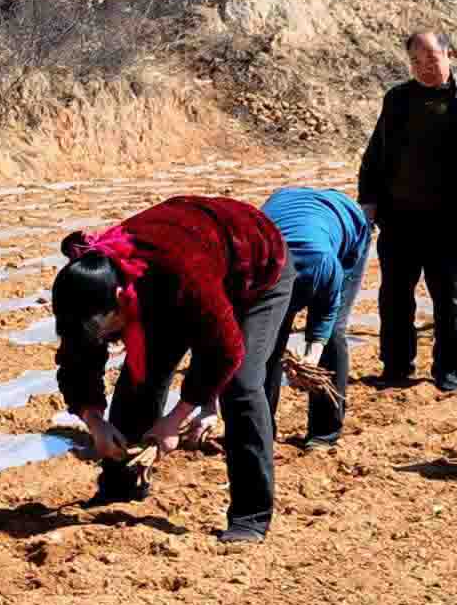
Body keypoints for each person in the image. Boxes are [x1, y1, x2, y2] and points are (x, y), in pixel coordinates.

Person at [49, 196, 292, 544]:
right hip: (178, 274)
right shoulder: (87, 293)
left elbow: (223, 351)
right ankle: (120, 486)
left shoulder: (182, 273)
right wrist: (94, 421)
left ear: (121, 298)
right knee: (141, 372)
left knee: (241, 386)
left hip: (257, 267)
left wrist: (175, 420)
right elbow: (78, 361)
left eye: (105, 329)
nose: (103, 338)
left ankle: (250, 517)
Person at [353, 29, 457, 394]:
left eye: (431, 59)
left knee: (451, 298)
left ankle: (451, 371)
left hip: (453, 220)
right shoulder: (398, 99)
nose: (424, 68)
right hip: (401, 219)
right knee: (394, 297)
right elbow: (375, 154)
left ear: (449, 55)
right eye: (416, 62)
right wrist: (368, 200)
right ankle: (396, 365)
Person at [257, 185, 373, 448]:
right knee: (268, 339)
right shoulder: (257, 263)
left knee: (333, 333)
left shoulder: (322, 263)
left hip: (347, 224)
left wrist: (312, 357)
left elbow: (327, 312)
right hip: (286, 206)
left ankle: (324, 432)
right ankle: (262, 431)